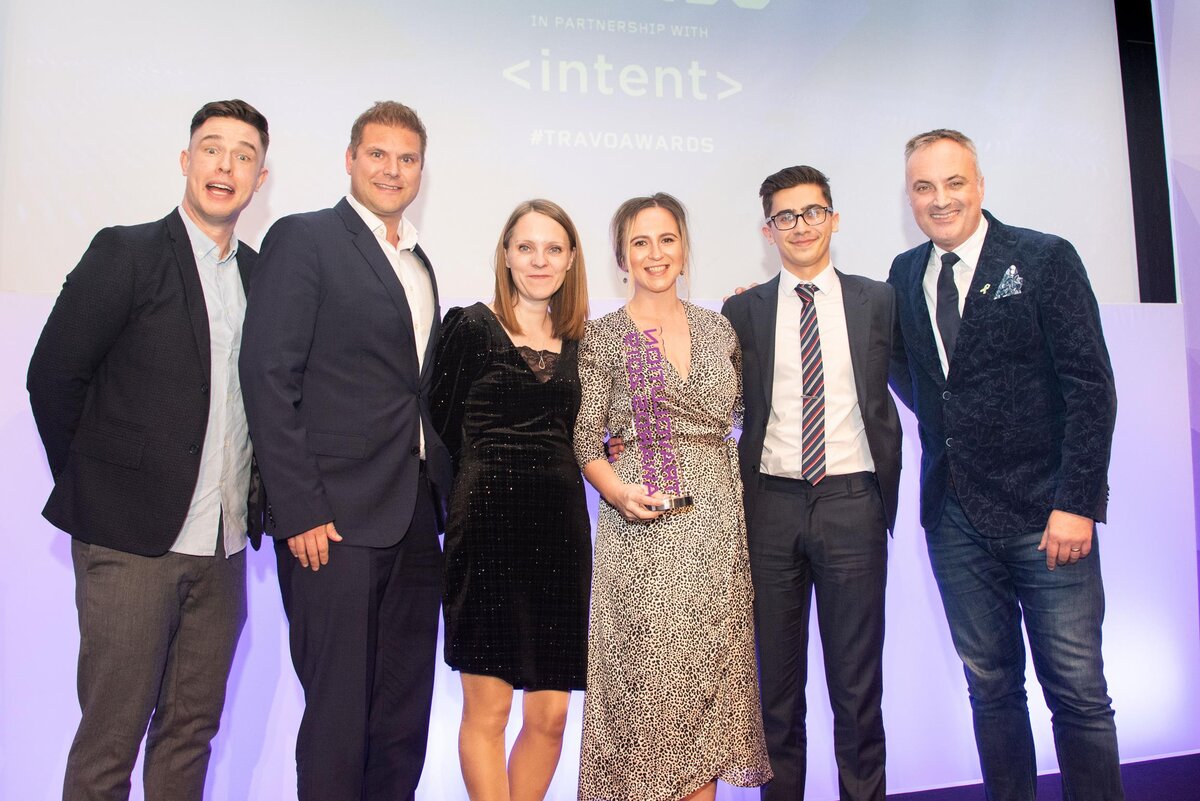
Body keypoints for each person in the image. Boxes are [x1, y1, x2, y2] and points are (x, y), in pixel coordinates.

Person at [26, 99, 270, 801]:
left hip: (222, 549)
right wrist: (101, 489)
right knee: (110, 740)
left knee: (191, 734)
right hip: (130, 546)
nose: (225, 165)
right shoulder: (126, 252)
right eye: (212, 148)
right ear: (186, 160)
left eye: (244, 155)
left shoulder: (263, 278)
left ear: (259, 178)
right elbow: (53, 377)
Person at [888, 128, 1122, 800]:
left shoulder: (1044, 257)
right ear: (910, 197)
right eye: (924, 187)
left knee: (1077, 692)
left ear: (980, 185)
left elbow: (1091, 386)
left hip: (1048, 516)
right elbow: (909, 370)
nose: (940, 199)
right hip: (955, 520)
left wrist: (1076, 502)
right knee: (990, 691)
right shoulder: (904, 273)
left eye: (953, 182)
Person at [239, 101, 452, 801]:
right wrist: (298, 507)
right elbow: (268, 375)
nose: (393, 169)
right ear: (350, 159)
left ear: (421, 169)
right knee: (338, 716)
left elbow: (413, 390)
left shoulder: (418, 261)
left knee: (402, 718)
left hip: (413, 518)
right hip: (331, 521)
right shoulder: (304, 239)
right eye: (378, 154)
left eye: (407, 158)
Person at [573, 192, 772, 801]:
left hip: (716, 528)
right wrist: (617, 492)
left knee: (707, 686)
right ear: (621, 257)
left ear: (684, 250)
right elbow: (585, 438)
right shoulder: (603, 336)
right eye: (640, 242)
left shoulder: (721, 328)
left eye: (666, 239)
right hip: (643, 533)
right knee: (651, 692)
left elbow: (748, 414)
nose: (655, 253)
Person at [721, 166, 901, 801]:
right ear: (767, 230)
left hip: (852, 501)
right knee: (775, 692)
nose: (801, 226)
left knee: (857, 690)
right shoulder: (741, 310)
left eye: (813, 212)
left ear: (834, 219)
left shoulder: (879, 300)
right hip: (770, 506)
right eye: (786, 216)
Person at [430, 199, 592, 801]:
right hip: (486, 536)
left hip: (561, 538)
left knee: (551, 717)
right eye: (526, 247)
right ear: (506, 255)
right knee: (489, 711)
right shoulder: (470, 328)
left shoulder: (584, 344)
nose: (539, 260)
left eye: (553, 248)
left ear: (570, 259)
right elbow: (438, 432)